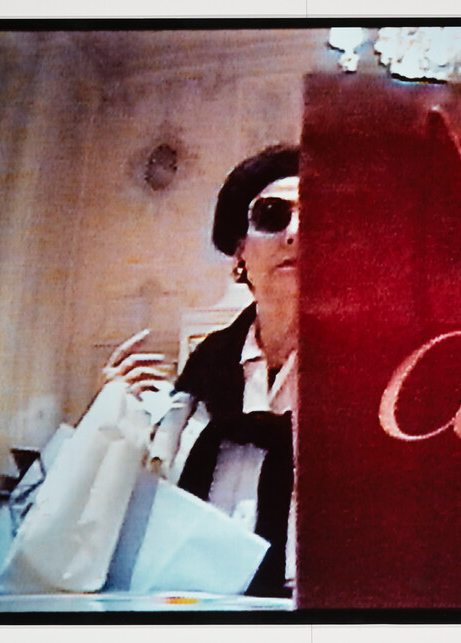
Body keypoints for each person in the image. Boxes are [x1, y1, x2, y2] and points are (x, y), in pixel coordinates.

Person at [101, 144, 300, 597]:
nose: (295, 233)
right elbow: (149, 485)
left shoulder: (364, 375)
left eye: (319, 220)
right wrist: (114, 415)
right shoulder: (205, 368)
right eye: (273, 215)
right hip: (196, 599)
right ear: (240, 251)